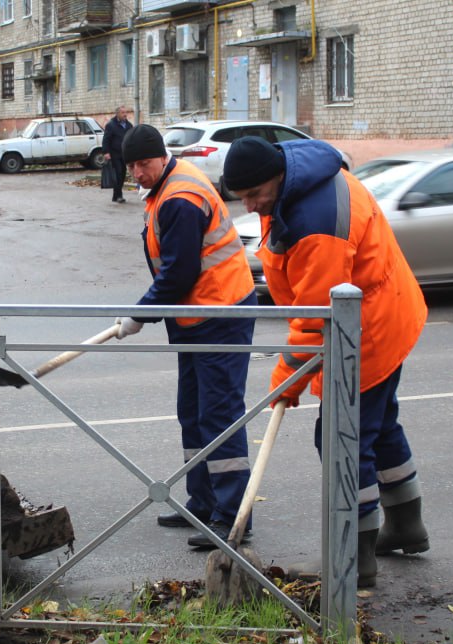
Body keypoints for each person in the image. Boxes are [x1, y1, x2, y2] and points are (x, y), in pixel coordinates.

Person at [222, 135, 429, 587]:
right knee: (380, 426)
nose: (251, 206)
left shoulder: (318, 224)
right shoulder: (298, 177)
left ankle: (352, 557)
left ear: (277, 176)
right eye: (242, 197)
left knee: (341, 440)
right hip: (385, 312)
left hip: (366, 332)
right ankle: (405, 524)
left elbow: (318, 319)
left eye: (255, 194)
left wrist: (287, 381)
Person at [114, 124, 259, 549]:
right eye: (131, 166)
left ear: (162, 157)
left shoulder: (180, 197)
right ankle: (203, 503)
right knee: (193, 412)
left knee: (219, 415)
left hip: (221, 313)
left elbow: (179, 272)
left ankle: (232, 517)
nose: (137, 173)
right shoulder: (165, 187)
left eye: (144, 164)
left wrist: (141, 314)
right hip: (197, 315)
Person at [101, 106, 133, 203]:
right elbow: (106, 139)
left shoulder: (129, 125)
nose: (125, 114)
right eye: (123, 112)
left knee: (123, 174)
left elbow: (131, 139)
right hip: (114, 154)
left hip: (125, 154)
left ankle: (115, 196)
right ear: (117, 114)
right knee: (118, 173)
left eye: (126, 112)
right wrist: (106, 152)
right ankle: (119, 195)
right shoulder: (111, 125)